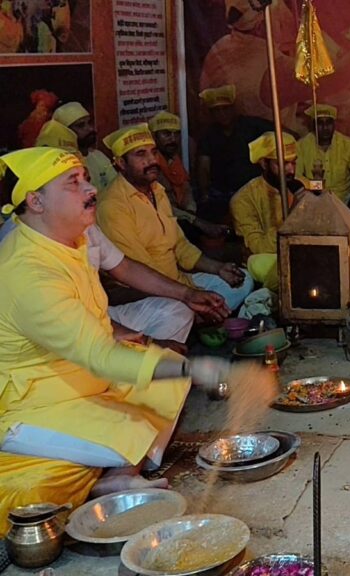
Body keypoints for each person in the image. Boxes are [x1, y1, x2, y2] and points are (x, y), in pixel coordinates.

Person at [0, 147, 231, 521]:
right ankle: (119, 461)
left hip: (88, 379)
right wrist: (197, 371)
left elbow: (107, 305)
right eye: (74, 183)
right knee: (136, 425)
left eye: (86, 178)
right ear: (36, 201)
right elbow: (101, 355)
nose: (91, 188)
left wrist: (164, 353)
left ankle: (120, 477)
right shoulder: (27, 272)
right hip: (34, 406)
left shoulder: (76, 235)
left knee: (166, 369)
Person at [97, 125, 254, 312]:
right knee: (181, 312)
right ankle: (199, 316)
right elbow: (140, 274)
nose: (152, 160)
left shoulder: (157, 191)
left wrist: (218, 268)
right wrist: (188, 295)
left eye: (153, 152)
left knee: (244, 280)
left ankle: (204, 315)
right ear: (121, 164)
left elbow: (180, 245)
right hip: (148, 295)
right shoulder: (112, 206)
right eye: (140, 154)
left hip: (180, 283)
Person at [229, 132, 306, 291]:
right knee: (258, 263)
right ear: (264, 163)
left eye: (293, 162)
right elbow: (257, 248)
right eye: (283, 164)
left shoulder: (301, 185)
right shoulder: (243, 199)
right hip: (273, 257)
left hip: (308, 250)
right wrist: (292, 216)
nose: (291, 170)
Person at [195, 85, 273, 220]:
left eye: (225, 109)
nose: (222, 114)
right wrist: (205, 195)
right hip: (223, 194)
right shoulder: (208, 135)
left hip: (254, 191)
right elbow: (203, 167)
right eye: (216, 111)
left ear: (233, 109)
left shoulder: (252, 125)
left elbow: (282, 134)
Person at [148, 111, 226, 241]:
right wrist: (194, 220)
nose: (173, 139)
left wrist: (191, 212)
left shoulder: (173, 160)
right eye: (166, 134)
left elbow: (186, 189)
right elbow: (160, 207)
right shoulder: (150, 167)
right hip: (163, 219)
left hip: (182, 214)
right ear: (154, 137)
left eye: (176, 134)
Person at [295, 104, 350, 216]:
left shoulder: (348, 144)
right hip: (314, 199)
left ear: (334, 124)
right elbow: (297, 178)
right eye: (320, 123)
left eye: (328, 123)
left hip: (344, 201)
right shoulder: (302, 146)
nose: (325, 128)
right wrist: (317, 188)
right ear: (313, 125)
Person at [51, 101, 117, 191]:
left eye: (89, 122)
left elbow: (115, 189)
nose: (90, 128)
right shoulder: (60, 163)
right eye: (81, 125)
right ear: (65, 132)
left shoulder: (98, 157)